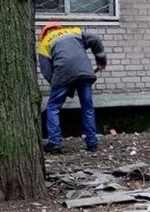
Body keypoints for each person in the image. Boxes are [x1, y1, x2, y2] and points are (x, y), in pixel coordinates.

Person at [36, 23, 107, 153]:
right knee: (87, 107)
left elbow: (46, 70)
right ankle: (92, 143)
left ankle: (55, 142)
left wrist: (57, 84)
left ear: (44, 33)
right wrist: (101, 60)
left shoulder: (44, 43)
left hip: (62, 74)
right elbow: (95, 39)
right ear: (59, 28)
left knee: (53, 107)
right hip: (85, 72)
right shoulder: (74, 31)